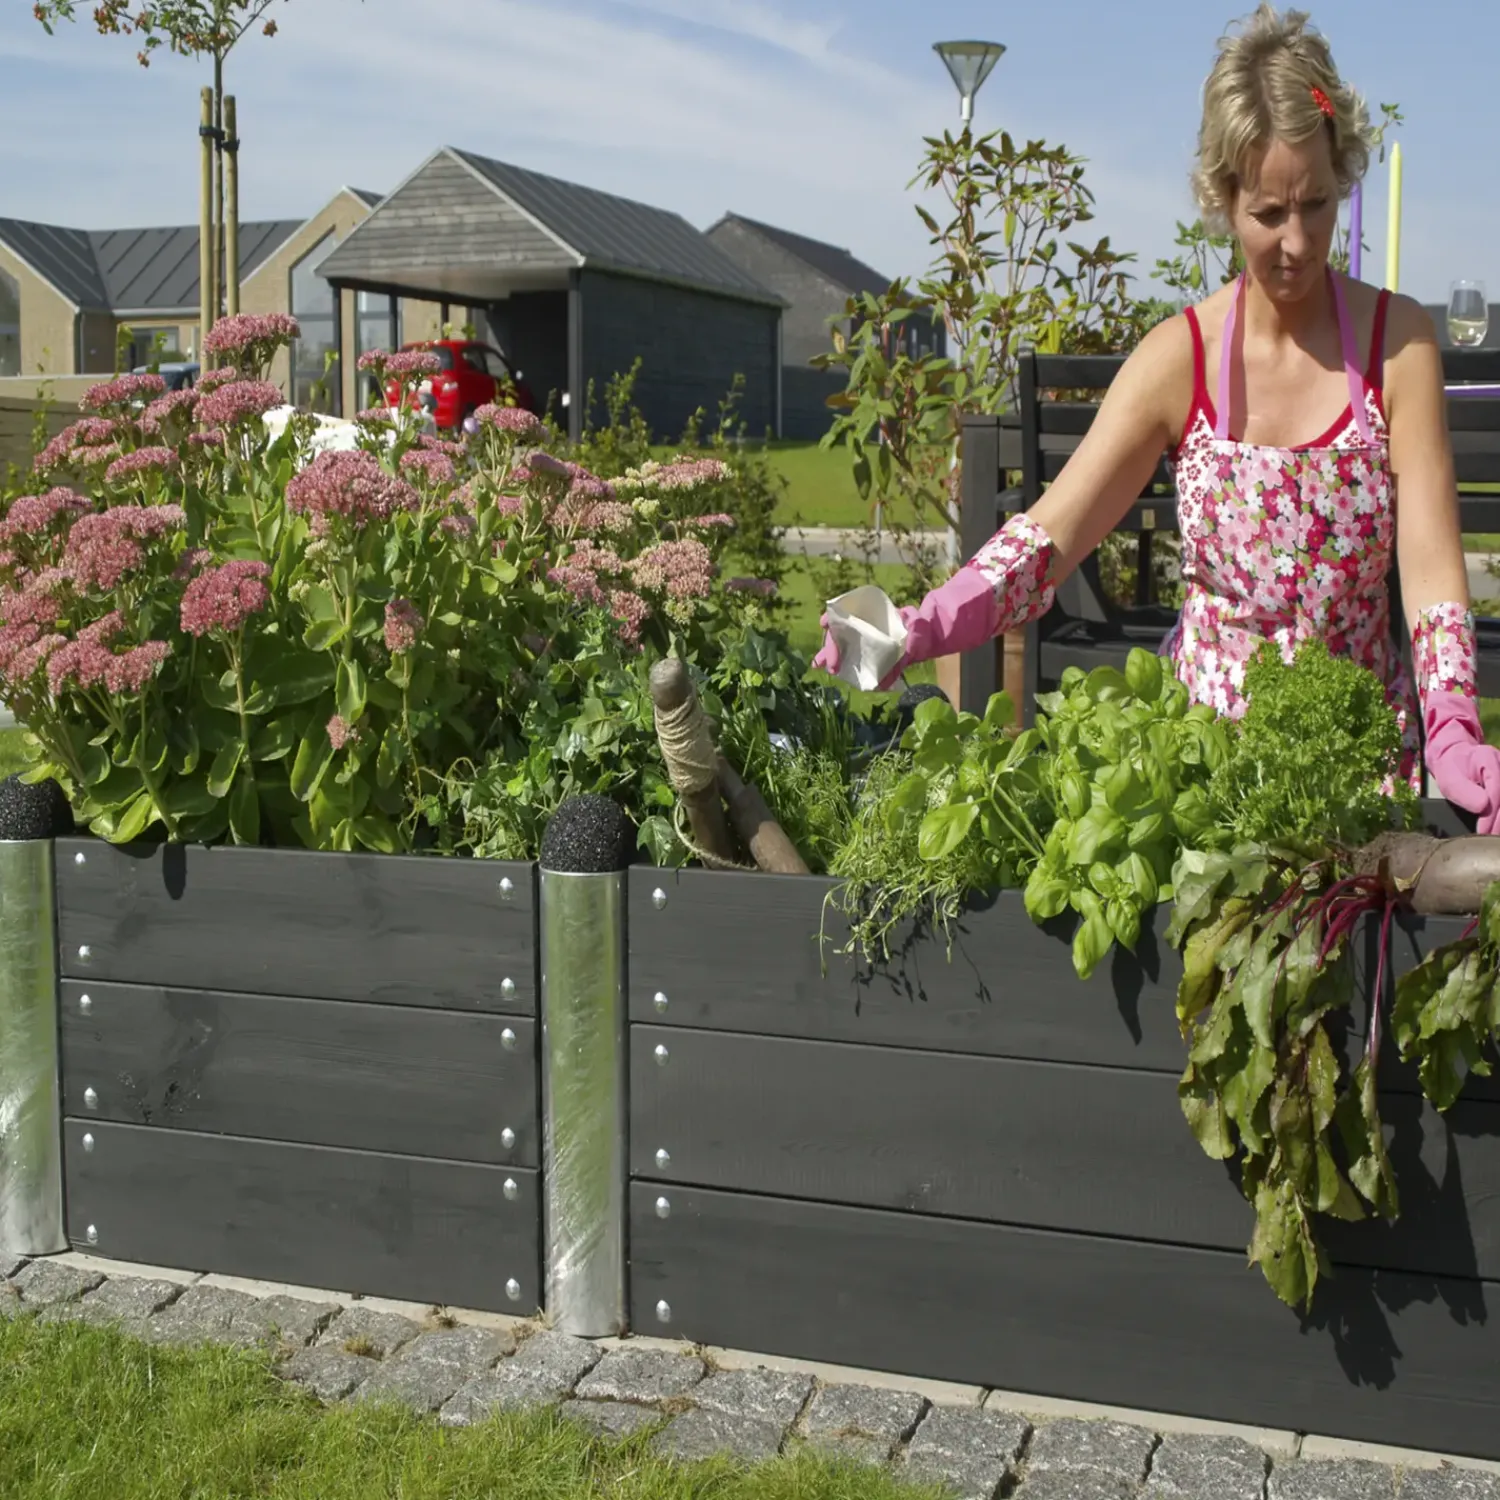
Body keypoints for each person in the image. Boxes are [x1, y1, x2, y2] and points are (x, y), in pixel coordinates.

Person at [815, 2, 1500, 830]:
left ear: (1342, 176)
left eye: (1316, 204)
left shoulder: (1401, 346)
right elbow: (1052, 535)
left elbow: (1429, 562)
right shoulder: (1181, 357)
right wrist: (921, 626)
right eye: (1269, 214)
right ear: (1222, 197)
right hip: (1203, 768)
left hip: (1356, 765)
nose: (1297, 242)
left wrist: (1454, 727)